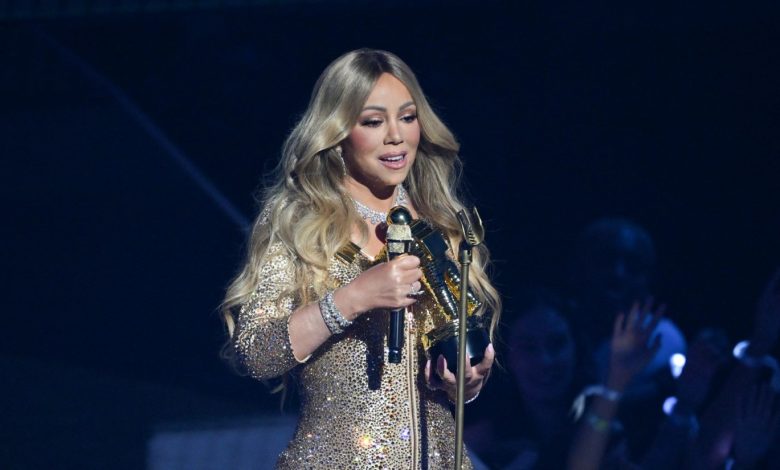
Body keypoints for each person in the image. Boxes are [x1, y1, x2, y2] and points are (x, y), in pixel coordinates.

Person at [221, 49, 501, 469]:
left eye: (408, 117)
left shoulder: (440, 225)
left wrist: (466, 383)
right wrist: (353, 298)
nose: (396, 136)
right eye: (373, 122)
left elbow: (453, 372)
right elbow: (256, 352)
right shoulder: (301, 225)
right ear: (338, 132)